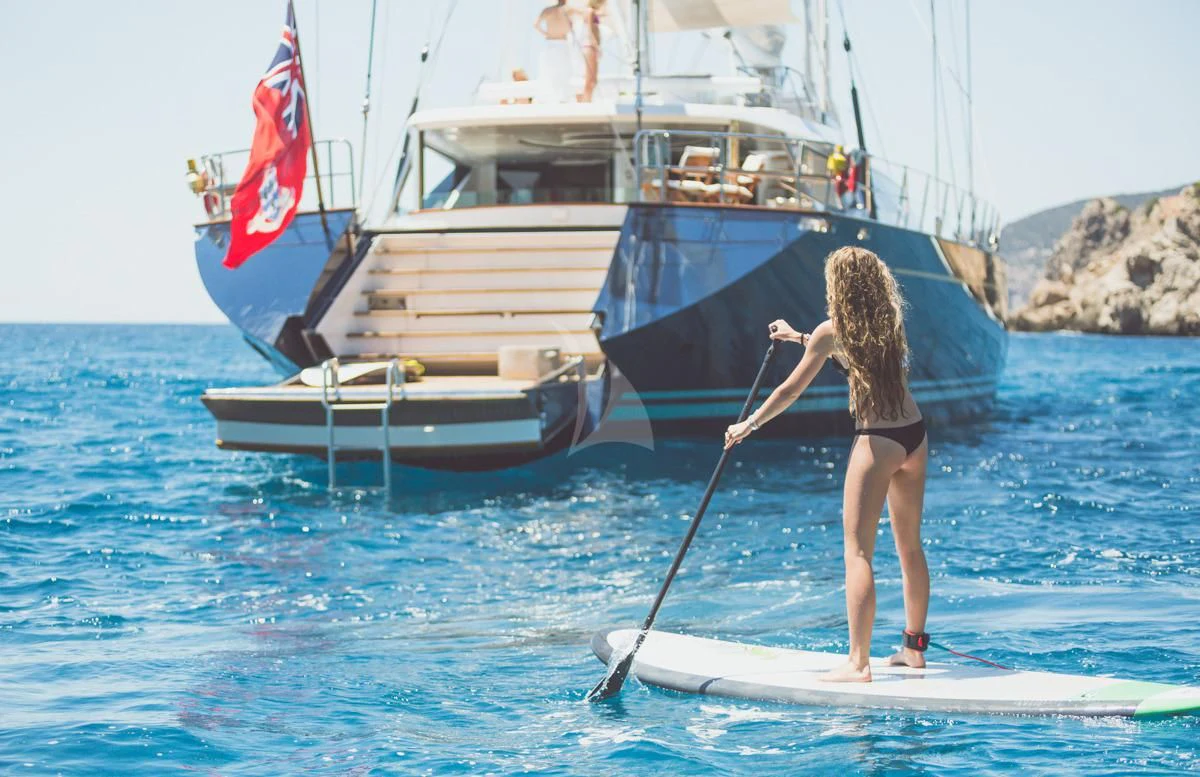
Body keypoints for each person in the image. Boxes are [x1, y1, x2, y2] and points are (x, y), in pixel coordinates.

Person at [724, 246, 930, 683]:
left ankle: (858, 662)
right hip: (914, 435)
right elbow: (845, 347)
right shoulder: (889, 323)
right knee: (910, 547)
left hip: (877, 441)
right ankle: (914, 650)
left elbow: (789, 390)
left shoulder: (831, 331)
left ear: (839, 286)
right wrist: (797, 337)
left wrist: (748, 424)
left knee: (858, 552)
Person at [534, 1, 574, 102]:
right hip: (562, 42)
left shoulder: (547, 10)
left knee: (548, 71)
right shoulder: (569, 10)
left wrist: (547, 33)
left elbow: (536, 25)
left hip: (550, 42)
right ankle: (562, 98)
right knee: (564, 71)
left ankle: (548, 98)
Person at [577, 0, 605, 103]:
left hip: (590, 46)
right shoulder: (590, 11)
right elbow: (590, 30)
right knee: (591, 80)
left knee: (592, 80)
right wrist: (596, 46)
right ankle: (586, 101)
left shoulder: (590, 11)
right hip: (590, 46)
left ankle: (587, 100)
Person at [826, 144, 849, 209]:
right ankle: (841, 206)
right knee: (839, 192)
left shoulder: (834, 157)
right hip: (839, 178)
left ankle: (841, 206)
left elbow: (830, 169)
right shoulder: (842, 158)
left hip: (839, 178)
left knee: (839, 192)